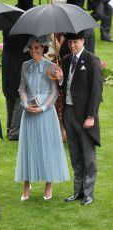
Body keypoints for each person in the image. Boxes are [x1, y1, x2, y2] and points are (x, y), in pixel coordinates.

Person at [15, 35, 70, 201]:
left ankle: (48, 184)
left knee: (47, 147)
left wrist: (43, 107)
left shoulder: (52, 67)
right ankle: (26, 183)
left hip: (46, 113)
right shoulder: (25, 66)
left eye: (37, 48)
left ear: (43, 48)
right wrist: (25, 104)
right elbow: (22, 89)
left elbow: (55, 92)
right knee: (28, 147)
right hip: (29, 112)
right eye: (31, 48)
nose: (34, 51)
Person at [55, 31, 103, 205]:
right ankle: (78, 191)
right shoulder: (67, 60)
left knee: (88, 156)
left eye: (76, 42)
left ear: (83, 41)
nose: (72, 45)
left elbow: (97, 91)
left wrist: (91, 116)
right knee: (75, 154)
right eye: (70, 43)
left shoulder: (92, 60)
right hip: (69, 113)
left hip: (85, 116)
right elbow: (63, 87)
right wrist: (60, 80)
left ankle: (88, 193)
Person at [2, 0, 35, 140]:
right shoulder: (30, 16)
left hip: (9, 61)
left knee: (11, 94)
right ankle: (14, 131)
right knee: (18, 95)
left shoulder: (10, 14)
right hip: (19, 61)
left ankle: (11, 127)